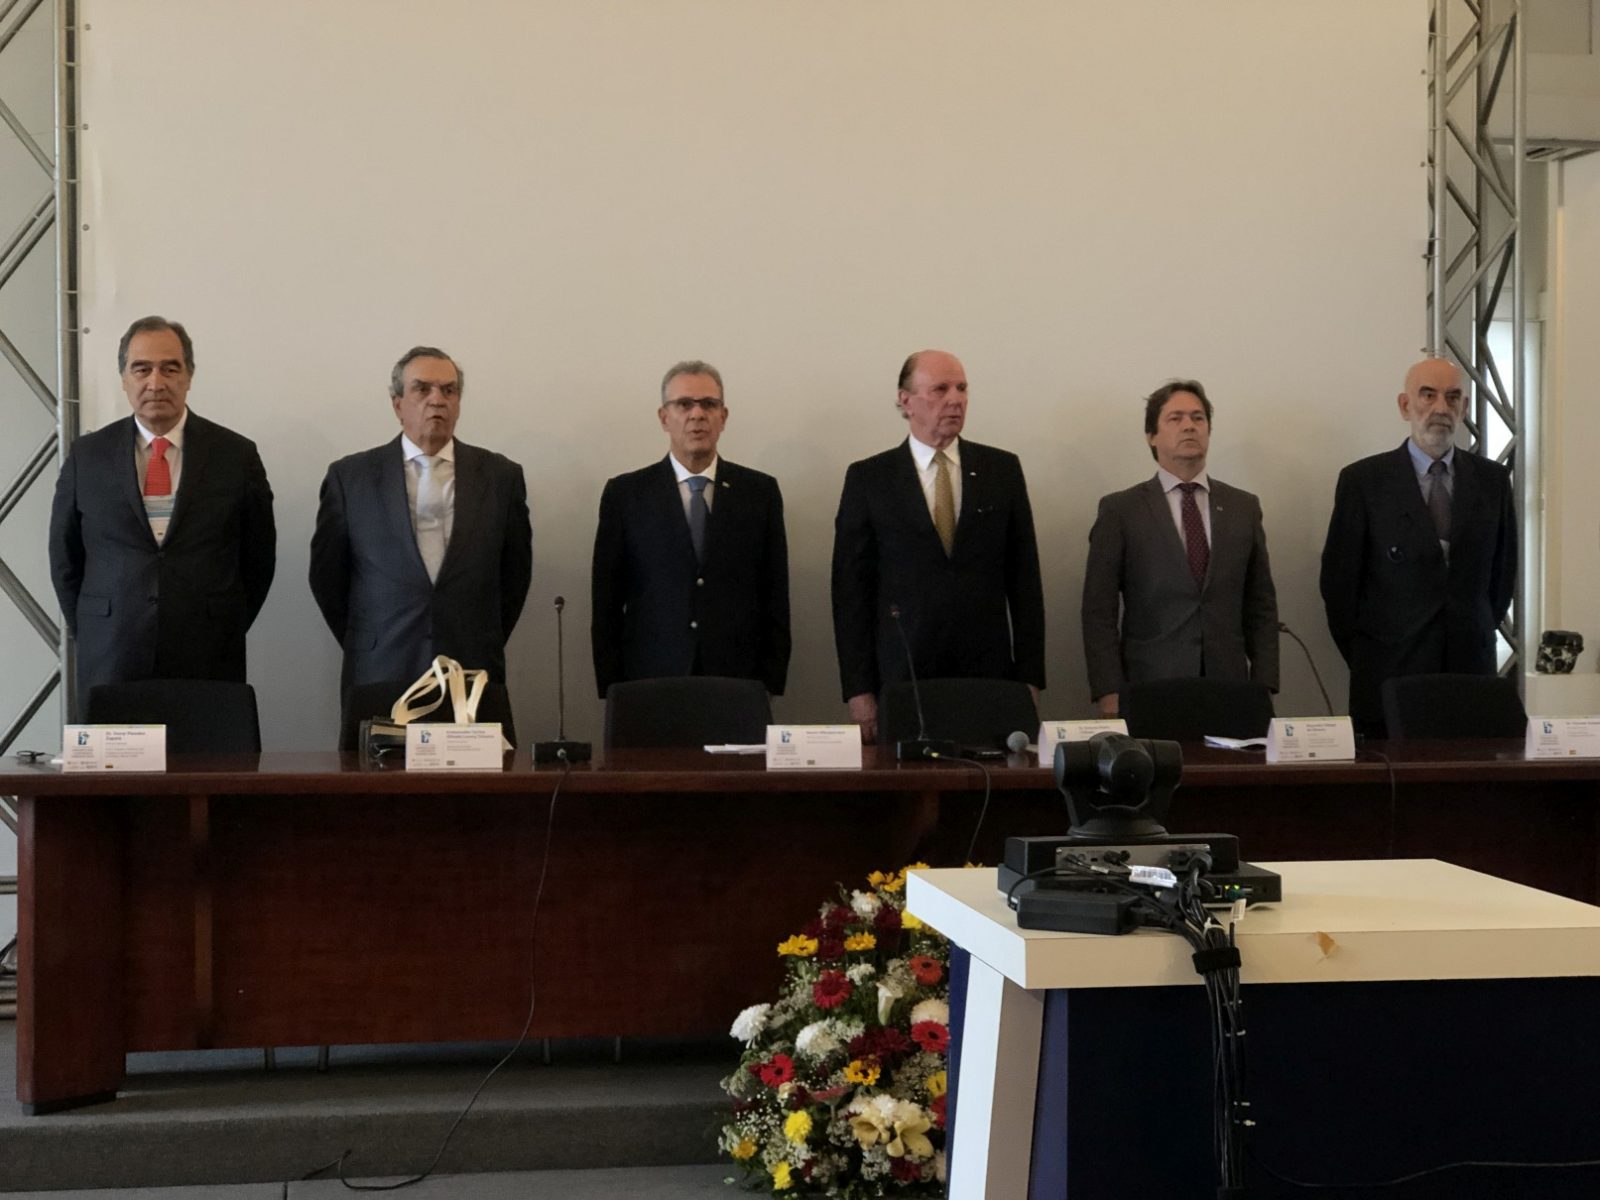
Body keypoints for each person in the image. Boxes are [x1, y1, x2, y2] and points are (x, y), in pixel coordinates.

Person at [48, 315, 276, 712]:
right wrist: (98, 622)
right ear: (124, 378)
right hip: (111, 652)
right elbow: (65, 558)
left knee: (204, 753)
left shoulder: (235, 456)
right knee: (114, 754)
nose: (156, 382)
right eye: (142, 369)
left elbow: (258, 558)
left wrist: (222, 618)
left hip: (208, 653)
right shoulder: (87, 456)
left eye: (170, 368)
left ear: (189, 376)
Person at [831, 349, 1045, 742]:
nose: (956, 399)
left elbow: (1025, 582)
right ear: (906, 400)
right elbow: (851, 595)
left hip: (988, 675)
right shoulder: (870, 478)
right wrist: (859, 691)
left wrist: (1030, 677)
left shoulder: (1001, 470)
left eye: (962, 388)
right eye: (940, 389)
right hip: (903, 676)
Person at [309, 346, 532, 696]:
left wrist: (480, 635)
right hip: (380, 666)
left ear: (458, 403)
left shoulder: (500, 477)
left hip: (471, 667)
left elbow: (515, 576)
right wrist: (369, 639)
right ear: (398, 404)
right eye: (422, 389)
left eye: (448, 390)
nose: (437, 400)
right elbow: (328, 580)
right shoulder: (351, 479)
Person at [1319, 357, 1517, 736]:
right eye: (1428, 395)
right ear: (1405, 405)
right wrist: (1370, 655)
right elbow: (1340, 588)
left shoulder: (1492, 482)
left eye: (1452, 397)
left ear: (1464, 408)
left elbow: (1502, 578)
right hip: (1388, 679)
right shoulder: (1364, 482)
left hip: (1469, 677)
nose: (1441, 407)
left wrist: (1471, 630)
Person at [590, 360, 790, 697]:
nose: (697, 415)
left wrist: (771, 680)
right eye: (684, 404)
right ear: (664, 417)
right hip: (649, 678)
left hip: (737, 679)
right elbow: (606, 600)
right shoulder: (626, 494)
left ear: (723, 417)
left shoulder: (759, 492)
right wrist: (611, 686)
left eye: (708, 404)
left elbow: (775, 594)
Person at [1081, 380, 1278, 714]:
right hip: (1150, 684)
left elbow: (1261, 605)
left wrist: (1265, 684)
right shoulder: (1121, 510)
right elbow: (1098, 610)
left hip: (1230, 685)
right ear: (1151, 436)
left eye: (1198, 418)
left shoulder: (1243, 507)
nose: (1189, 426)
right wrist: (1108, 692)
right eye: (1175, 418)